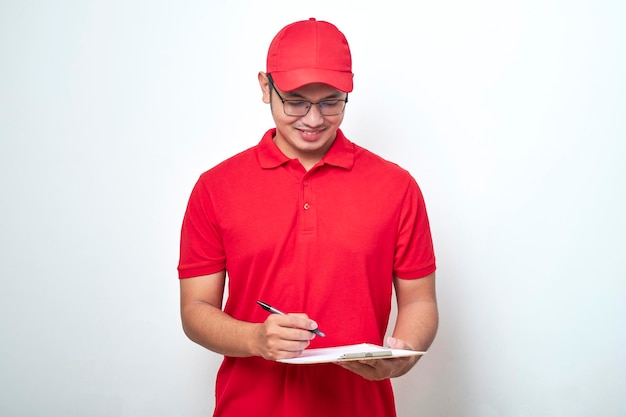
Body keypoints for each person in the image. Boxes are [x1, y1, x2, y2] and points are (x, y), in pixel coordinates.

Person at [178, 17, 438, 417]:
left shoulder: (397, 187)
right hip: (247, 407)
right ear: (266, 88)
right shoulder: (216, 187)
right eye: (296, 101)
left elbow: (420, 299)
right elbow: (195, 310)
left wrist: (403, 353)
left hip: (359, 407)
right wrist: (256, 339)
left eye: (331, 101)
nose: (314, 120)